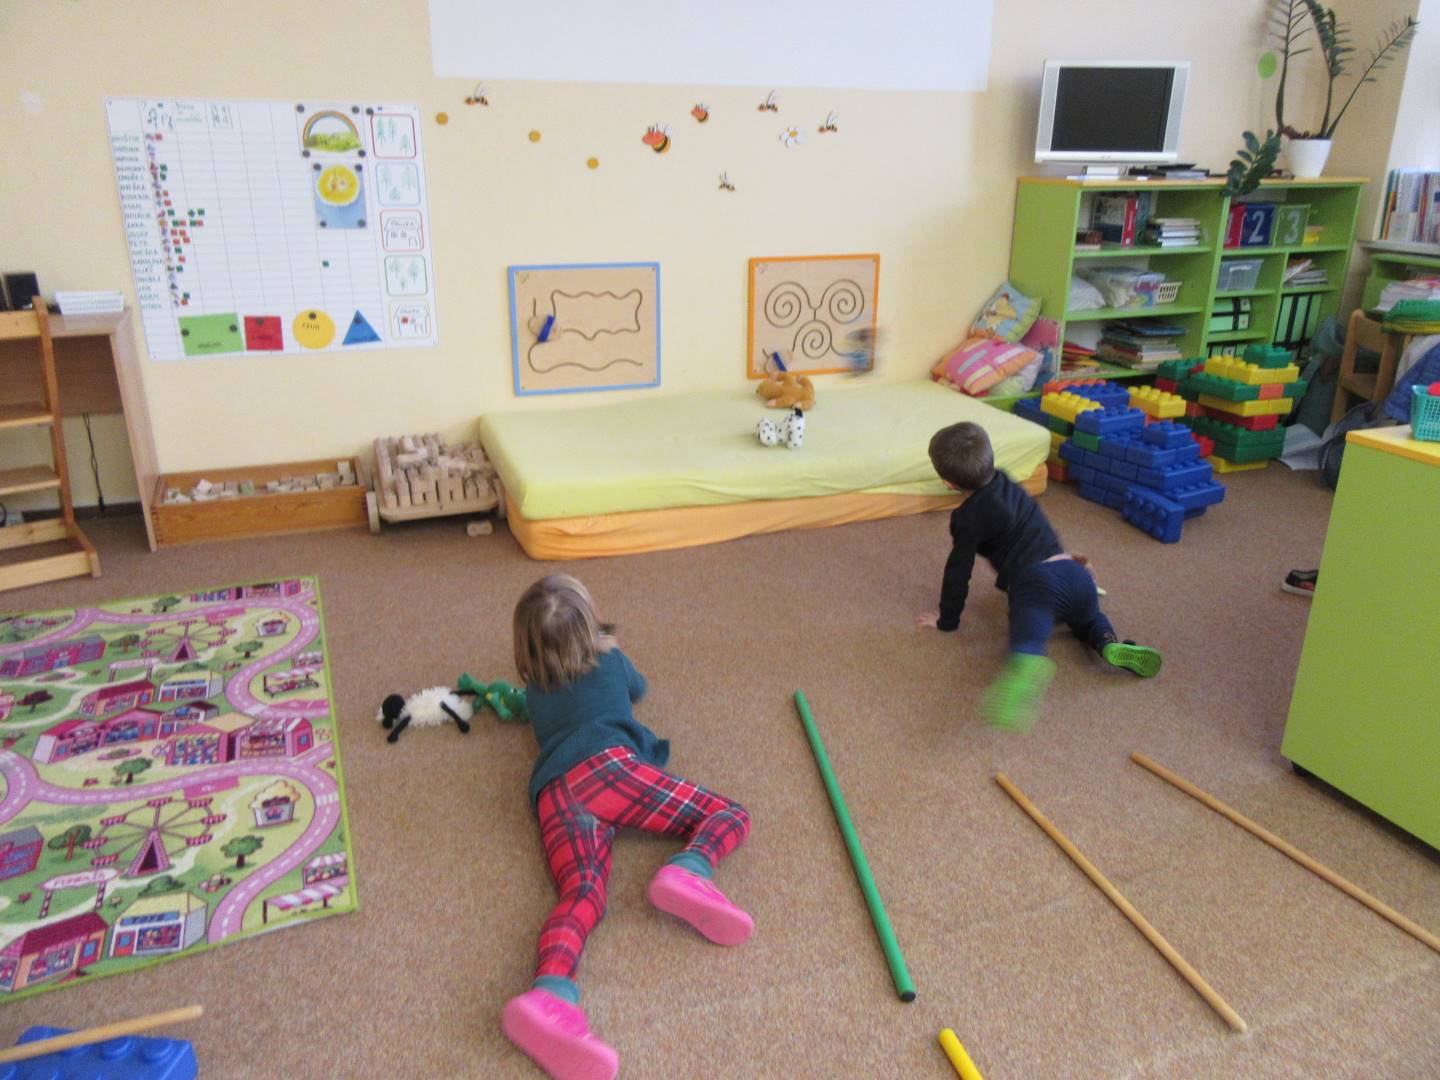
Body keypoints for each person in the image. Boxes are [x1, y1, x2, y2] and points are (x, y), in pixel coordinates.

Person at [501, 574, 752, 1080]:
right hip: (607, 768)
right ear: (591, 628)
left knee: (582, 894)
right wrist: (608, 645)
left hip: (555, 793)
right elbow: (638, 688)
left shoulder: (534, 693)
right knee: (728, 814)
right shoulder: (609, 659)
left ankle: (550, 993)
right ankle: (689, 869)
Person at [915, 422, 1161, 730]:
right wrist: (1071, 559)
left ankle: (1027, 662)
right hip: (1074, 573)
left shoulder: (965, 518)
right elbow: (1038, 524)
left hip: (1037, 586)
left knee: (1028, 637)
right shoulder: (1007, 481)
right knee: (1089, 619)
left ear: (948, 483)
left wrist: (946, 620)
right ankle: (1108, 644)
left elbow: (958, 571)